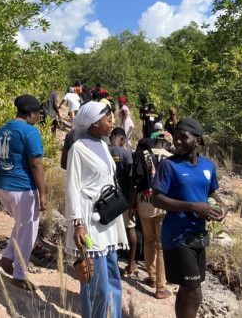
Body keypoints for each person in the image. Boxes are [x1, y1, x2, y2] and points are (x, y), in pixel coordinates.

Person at [152, 118, 228, 318]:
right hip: (177, 237)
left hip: (198, 235)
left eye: (182, 137)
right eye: (174, 137)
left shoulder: (208, 166)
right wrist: (194, 207)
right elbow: (157, 199)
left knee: (187, 291)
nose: (176, 141)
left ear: (197, 140)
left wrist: (222, 205)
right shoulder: (168, 166)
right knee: (194, 294)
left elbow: (211, 191)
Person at [65, 101, 128, 318]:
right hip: (89, 221)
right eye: (108, 119)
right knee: (94, 280)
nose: (112, 123)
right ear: (94, 122)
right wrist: (78, 223)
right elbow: (73, 187)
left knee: (113, 278)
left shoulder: (103, 145)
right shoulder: (78, 149)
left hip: (107, 219)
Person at [0, 94, 47, 291]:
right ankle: (20, 274)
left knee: (21, 225)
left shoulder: (3, 129)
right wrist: (42, 194)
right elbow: (35, 163)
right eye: (37, 115)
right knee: (28, 231)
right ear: (32, 113)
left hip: (2, 184)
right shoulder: (29, 131)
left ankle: (8, 258)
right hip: (22, 187)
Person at [136, 133, 173, 300]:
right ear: (166, 142)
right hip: (163, 206)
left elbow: (135, 181)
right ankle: (160, 287)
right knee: (161, 246)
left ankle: (151, 277)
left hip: (144, 203)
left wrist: (133, 204)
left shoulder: (142, 154)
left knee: (149, 240)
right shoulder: (172, 158)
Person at [108, 127, 137, 277]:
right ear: (122, 139)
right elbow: (133, 181)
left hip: (108, 199)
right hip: (125, 197)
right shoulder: (126, 154)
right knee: (130, 228)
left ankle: (110, 262)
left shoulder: (104, 151)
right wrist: (133, 203)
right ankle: (131, 263)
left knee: (110, 231)